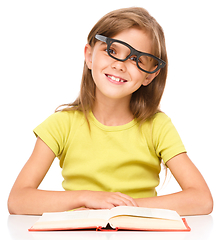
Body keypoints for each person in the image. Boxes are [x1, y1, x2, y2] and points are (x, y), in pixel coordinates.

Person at [8, 7, 213, 216]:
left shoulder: (157, 127)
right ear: (89, 56)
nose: (120, 65)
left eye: (136, 59)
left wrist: (123, 207)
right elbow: (18, 200)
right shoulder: (60, 125)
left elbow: (201, 199)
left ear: (150, 75)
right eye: (112, 51)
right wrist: (86, 198)